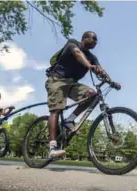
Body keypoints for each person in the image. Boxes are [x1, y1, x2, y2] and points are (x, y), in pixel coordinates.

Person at [45, 31, 120, 159]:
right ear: (84, 38)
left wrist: (111, 81)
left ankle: (69, 120)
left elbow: (101, 71)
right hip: (56, 80)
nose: (96, 41)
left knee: (92, 95)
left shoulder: (92, 57)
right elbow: (78, 54)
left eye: (97, 40)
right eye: (94, 38)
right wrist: (89, 66)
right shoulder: (72, 43)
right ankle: (52, 147)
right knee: (56, 109)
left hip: (73, 84)